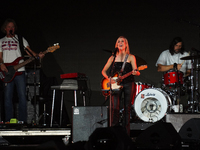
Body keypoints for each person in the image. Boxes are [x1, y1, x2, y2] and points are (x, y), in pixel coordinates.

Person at [0, 18, 45, 123]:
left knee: (22, 96)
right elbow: (0, 56)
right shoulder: (1, 41)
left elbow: (30, 52)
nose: (11, 28)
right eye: (9, 26)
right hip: (6, 71)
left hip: (20, 70)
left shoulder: (20, 39)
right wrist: (1, 64)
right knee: (8, 97)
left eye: (13, 27)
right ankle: (8, 121)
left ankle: (22, 121)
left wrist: (38, 56)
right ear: (5, 28)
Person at [102, 36, 140, 135]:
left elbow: (136, 71)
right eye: (118, 41)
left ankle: (126, 133)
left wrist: (136, 72)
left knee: (127, 108)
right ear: (116, 44)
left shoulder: (131, 57)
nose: (120, 43)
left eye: (122, 41)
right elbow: (103, 71)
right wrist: (109, 78)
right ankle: (114, 132)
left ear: (126, 44)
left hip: (128, 83)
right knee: (115, 108)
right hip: (115, 85)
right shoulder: (113, 57)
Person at [156, 37, 191, 111]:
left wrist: (184, 75)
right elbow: (159, 68)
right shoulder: (165, 53)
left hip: (182, 81)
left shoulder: (186, 54)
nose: (178, 47)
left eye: (180, 46)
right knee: (158, 87)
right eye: (176, 45)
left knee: (190, 90)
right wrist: (173, 66)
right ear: (172, 45)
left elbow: (189, 71)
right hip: (167, 82)